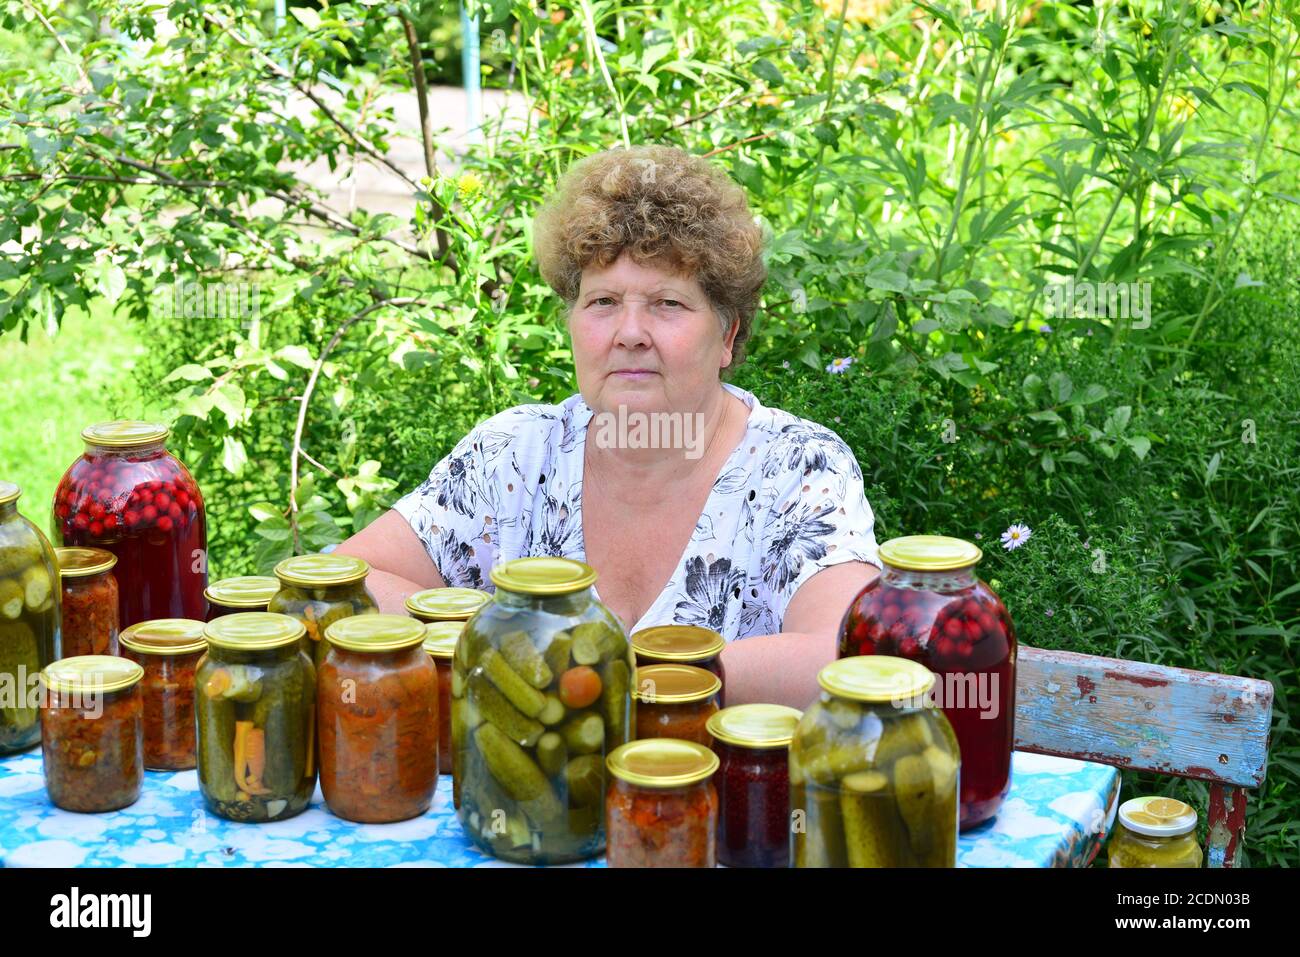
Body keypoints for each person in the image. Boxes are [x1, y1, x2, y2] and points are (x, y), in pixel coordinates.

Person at [335, 144, 880, 708]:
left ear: (726, 336)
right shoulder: (513, 455)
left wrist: (602, 676)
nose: (630, 332)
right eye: (603, 301)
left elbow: (844, 655)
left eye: (668, 302)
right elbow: (344, 582)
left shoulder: (800, 467)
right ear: (572, 323)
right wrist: (496, 644)